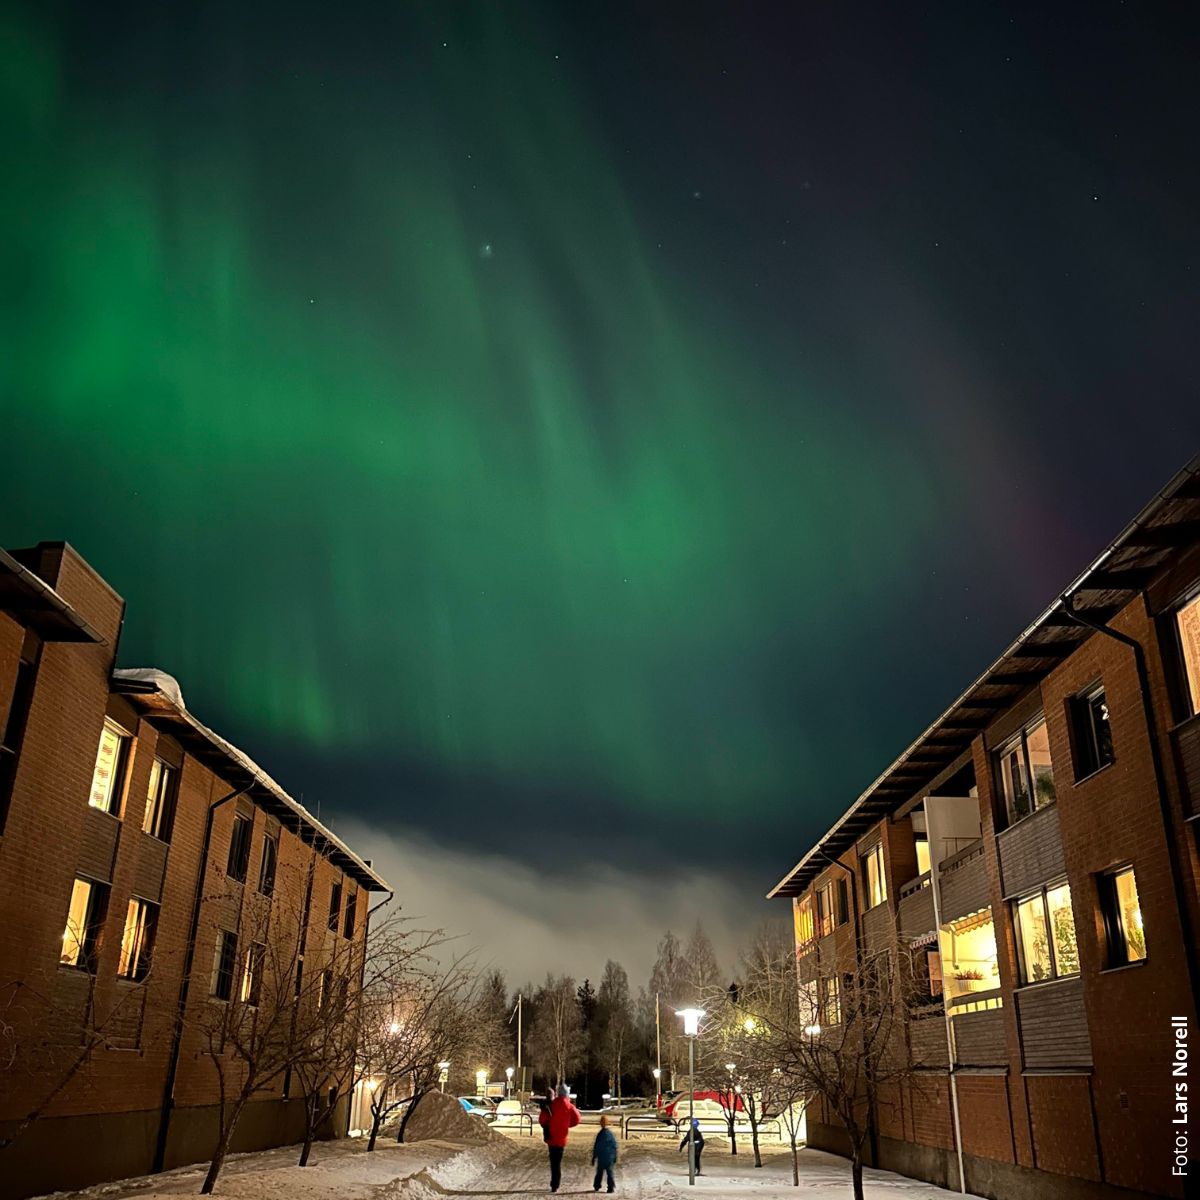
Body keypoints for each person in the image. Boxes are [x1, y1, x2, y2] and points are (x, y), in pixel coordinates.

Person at [538, 1083, 581, 1193]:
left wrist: (548, 1123)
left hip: (551, 1138)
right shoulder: (570, 1106)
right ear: (567, 1094)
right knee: (558, 1161)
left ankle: (554, 1184)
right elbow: (577, 1120)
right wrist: (567, 1125)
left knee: (554, 1162)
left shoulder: (552, 1105)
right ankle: (555, 1183)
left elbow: (542, 1120)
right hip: (562, 1138)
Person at [591, 1114, 618, 1193]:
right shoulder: (610, 1134)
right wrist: (615, 1156)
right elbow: (614, 1145)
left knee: (599, 1172)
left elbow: (597, 1146)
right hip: (609, 1157)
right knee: (610, 1173)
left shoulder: (600, 1134)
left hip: (601, 1157)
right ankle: (611, 1187)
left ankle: (597, 1185)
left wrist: (594, 1157)